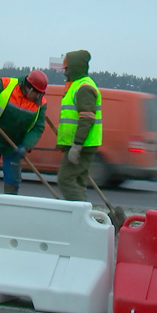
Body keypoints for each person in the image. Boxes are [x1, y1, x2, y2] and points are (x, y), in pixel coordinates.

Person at [0, 70, 49, 197]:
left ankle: (9, 209)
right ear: (29, 88)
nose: (38, 97)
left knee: (12, 181)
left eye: (40, 94)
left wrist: (26, 145)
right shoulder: (5, 85)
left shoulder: (41, 103)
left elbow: (38, 127)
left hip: (14, 146)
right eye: (36, 93)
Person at [56, 50, 102, 201]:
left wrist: (77, 145)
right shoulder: (76, 86)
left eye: (67, 68)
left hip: (82, 145)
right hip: (82, 143)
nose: (65, 72)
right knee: (77, 181)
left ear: (74, 67)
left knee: (66, 180)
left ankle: (79, 215)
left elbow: (86, 118)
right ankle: (81, 216)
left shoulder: (83, 88)